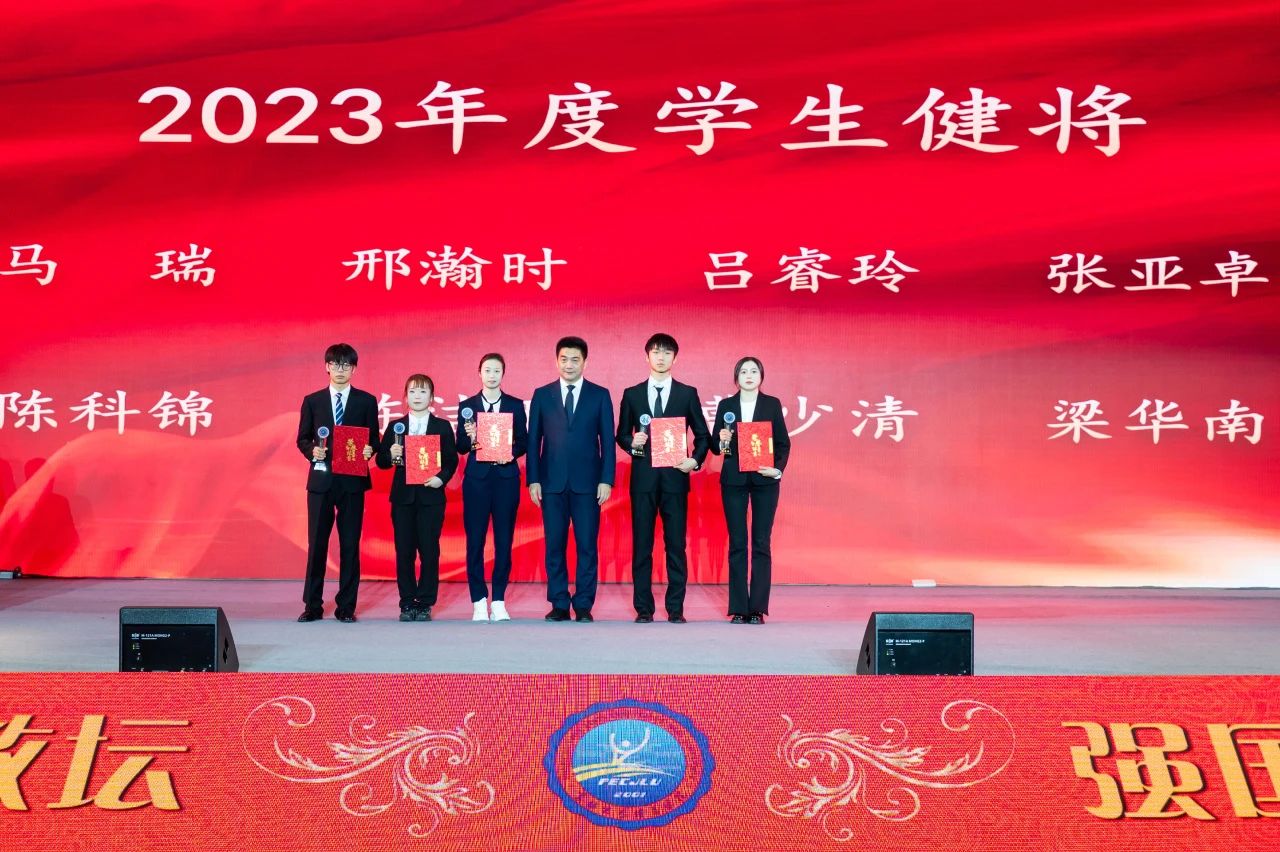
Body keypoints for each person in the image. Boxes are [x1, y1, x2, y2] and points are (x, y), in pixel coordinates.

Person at [615, 333, 710, 623]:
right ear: (647, 357)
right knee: (642, 546)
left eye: (667, 352)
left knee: (676, 546)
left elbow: (703, 435)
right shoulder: (632, 394)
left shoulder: (687, 393)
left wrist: (694, 460)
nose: (661, 357)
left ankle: (675, 609)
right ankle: (643, 609)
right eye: (656, 352)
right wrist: (632, 443)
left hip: (675, 480)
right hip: (643, 480)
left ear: (675, 358)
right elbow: (621, 434)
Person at [526, 336, 616, 622]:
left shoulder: (599, 395)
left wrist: (606, 480)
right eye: (564, 359)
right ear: (556, 361)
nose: (569, 364)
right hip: (551, 483)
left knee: (587, 546)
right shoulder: (542, 395)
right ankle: (560, 603)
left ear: (584, 362)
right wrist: (533, 479)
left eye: (575, 359)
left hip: (588, 485)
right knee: (554, 545)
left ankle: (584, 604)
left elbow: (608, 442)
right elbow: (533, 441)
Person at [295, 343, 377, 623]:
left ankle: (346, 607)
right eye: (335, 364)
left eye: (346, 365)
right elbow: (302, 438)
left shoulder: (366, 401)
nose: (340, 369)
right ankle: (312, 605)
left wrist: (370, 450)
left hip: (353, 482)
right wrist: (312, 452)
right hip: (321, 481)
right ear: (326, 367)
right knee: (317, 544)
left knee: (350, 546)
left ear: (354, 369)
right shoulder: (313, 401)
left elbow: (374, 439)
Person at [710, 356, 790, 624]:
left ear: (761, 376)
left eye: (754, 371)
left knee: (761, 542)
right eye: (743, 371)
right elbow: (715, 447)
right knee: (737, 543)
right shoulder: (726, 406)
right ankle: (738, 607)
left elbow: (783, 443)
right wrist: (721, 439)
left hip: (765, 480)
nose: (748, 375)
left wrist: (777, 469)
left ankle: (757, 608)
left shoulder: (771, 404)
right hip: (733, 481)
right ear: (736, 377)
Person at [376, 373, 458, 622]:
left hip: (431, 497)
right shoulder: (396, 426)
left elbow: (451, 460)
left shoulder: (442, 426)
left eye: (423, 391)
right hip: (403, 499)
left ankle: (424, 603)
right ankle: (406, 602)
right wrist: (391, 454)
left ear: (432, 397)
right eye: (412, 391)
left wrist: (441, 478)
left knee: (429, 551)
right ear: (405, 397)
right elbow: (381, 462)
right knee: (404, 552)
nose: (417, 396)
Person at [455, 353, 527, 622]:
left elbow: (524, 441)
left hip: (506, 479)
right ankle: (478, 600)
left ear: (503, 374)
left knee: (504, 541)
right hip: (477, 480)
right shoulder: (467, 406)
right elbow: (461, 446)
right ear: (479, 373)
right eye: (487, 370)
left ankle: (498, 600)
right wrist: (471, 438)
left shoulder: (515, 405)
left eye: (497, 371)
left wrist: (510, 454)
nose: (492, 375)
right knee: (475, 541)